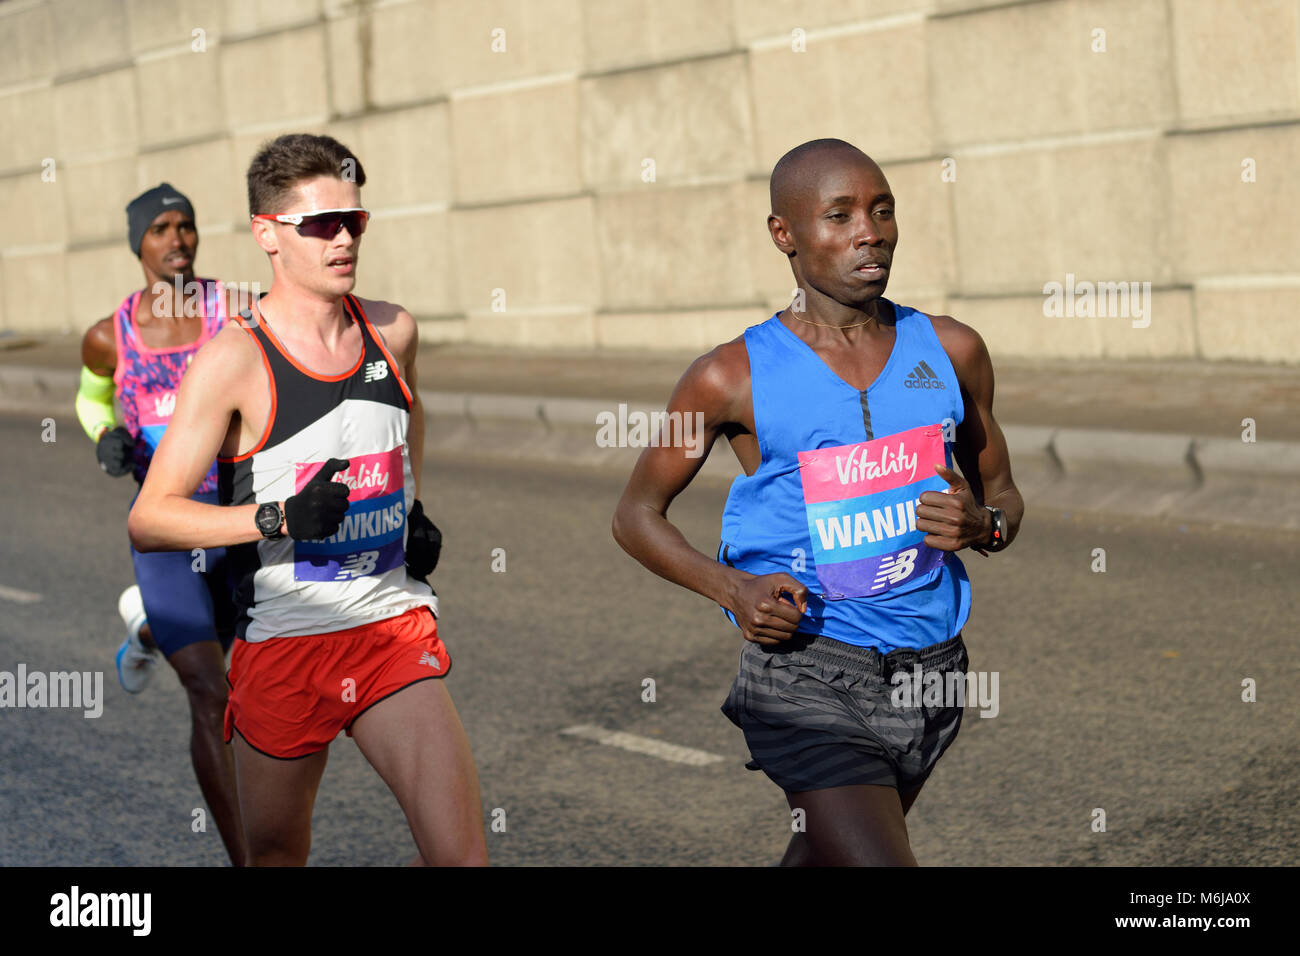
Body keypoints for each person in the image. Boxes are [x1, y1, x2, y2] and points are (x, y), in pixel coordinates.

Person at [612, 138, 1024, 866]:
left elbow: (1004, 502)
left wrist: (982, 524)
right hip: (807, 669)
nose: (871, 231)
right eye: (840, 216)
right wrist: (732, 587)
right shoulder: (726, 376)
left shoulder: (953, 350)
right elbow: (636, 514)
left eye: (882, 210)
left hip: (931, 671)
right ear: (785, 235)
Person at [128, 133, 485, 867]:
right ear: (268, 235)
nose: (343, 238)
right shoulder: (233, 359)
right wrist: (277, 517)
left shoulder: (393, 330)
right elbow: (151, 517)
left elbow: (407, 418)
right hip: (286, 645)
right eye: (319, 224)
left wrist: (412, 508)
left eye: (353, 220)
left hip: (390, 630)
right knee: (277, 858)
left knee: (462, 859)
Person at [76, 183, 247, 866]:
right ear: (138, 244)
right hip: (167, 531)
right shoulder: (105, 335)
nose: (177, 239)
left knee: (244, 667)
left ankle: (144, 627)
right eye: (161, 229)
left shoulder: (238, 312)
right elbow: (91, 401)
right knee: (212, 693)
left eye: (186, 226)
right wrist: (105, 436)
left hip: (238, 523)